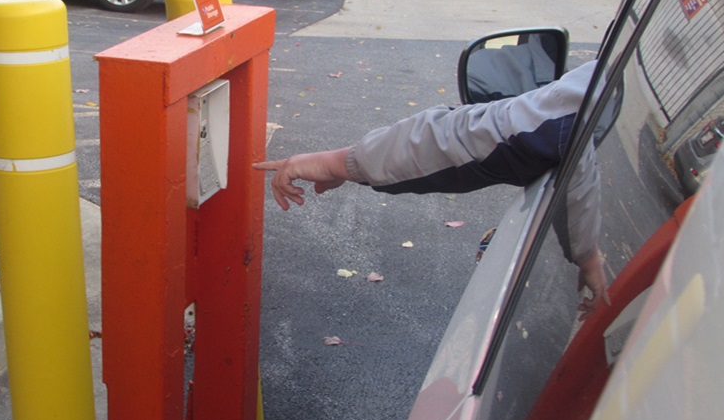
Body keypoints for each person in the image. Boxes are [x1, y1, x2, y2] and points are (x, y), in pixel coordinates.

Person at [254, 61, 611, 316]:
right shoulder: (615, 70)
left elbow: (481, 134)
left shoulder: (606, 77)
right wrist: (345, 165)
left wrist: (341, 163)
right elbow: (498, 132)